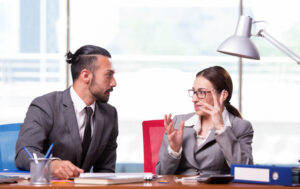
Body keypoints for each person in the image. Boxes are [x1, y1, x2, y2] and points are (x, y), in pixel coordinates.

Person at [15, 45, 118, 179]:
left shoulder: (109, 114)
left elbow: (106, 171)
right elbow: (24, 153)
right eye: (108, 75)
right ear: (85, 75)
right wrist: (52, 165)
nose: (114, 83)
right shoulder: (45, 105)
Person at [155, 66, 253, 175]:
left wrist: (221, 128)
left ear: (223, 95)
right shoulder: (178, 122)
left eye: (202, 92)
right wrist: (174, 150)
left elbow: (246, 172)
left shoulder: (241, 127)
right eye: (194, 92)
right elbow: (161, 175)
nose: (194, 99)